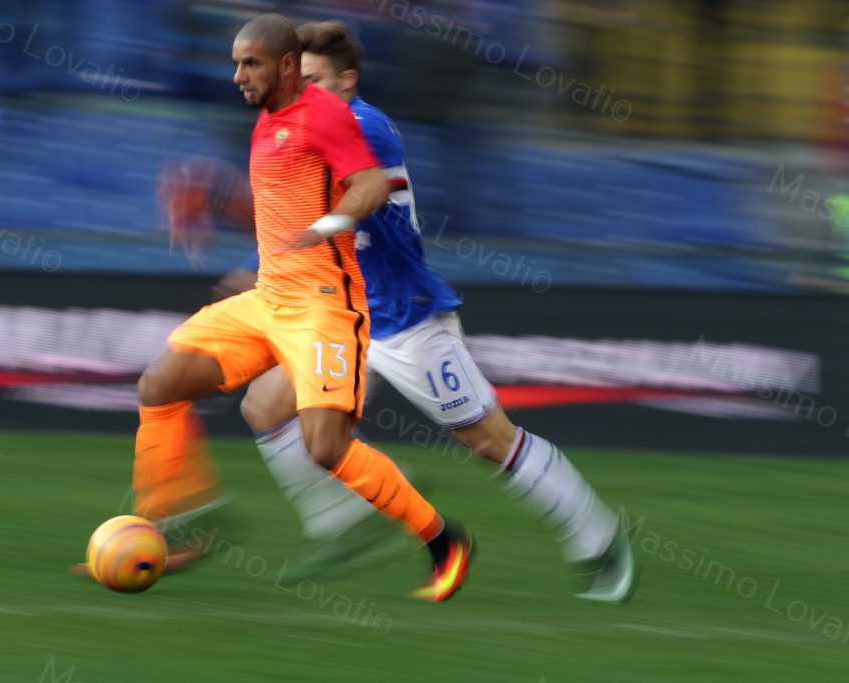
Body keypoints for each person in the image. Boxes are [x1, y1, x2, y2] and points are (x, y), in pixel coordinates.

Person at [229, 20, 636, 603]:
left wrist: (231, 203)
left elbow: (344, 199)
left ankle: (597, 537)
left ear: (348, 80)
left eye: (315, 80)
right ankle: (342, 520)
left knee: (492, 441)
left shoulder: (366, 126)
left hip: (405, 318)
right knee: (265, 404)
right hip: (344, 320)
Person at [139, 13, 475, 602]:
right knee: (160, 385)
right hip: (269, 298)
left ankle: (442, 540)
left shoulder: (327, 115)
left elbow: (370, 185)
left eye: (251, 63)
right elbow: (275, 210)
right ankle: (185, 521)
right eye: (236, 63)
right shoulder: (268, 119)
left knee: (326, 446)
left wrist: (327, 227)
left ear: (286, 66)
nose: (238, 75)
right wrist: (213, 200)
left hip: (326, 305)